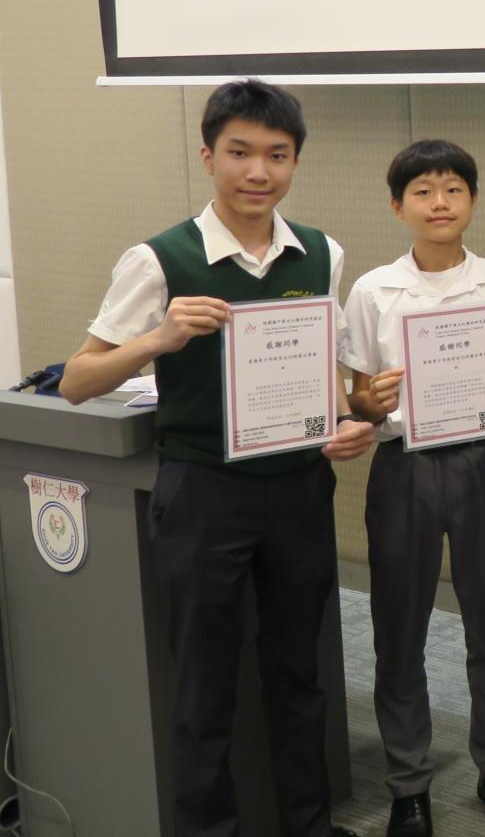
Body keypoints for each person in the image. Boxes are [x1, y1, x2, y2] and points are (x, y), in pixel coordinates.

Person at [60, 79, 373, 837]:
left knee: (299, 671)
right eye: (240, 152)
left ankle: (308, 823)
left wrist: (344, 421)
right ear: (208, 157)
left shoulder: (321, 251)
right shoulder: (160, 259)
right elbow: (76, 381)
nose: (258, 172)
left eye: (277, 154)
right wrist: (157, 339)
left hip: (298, 486)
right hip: (203, 493)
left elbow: (320, 368)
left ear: (294, 162)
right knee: (204, 681)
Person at [338, 140, 485, 837]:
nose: (439, 203)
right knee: (399, 629)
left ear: (473, 200)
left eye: (453, 189)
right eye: (422, 191)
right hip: (404, 466)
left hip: (483, 461)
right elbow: (358, 397)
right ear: (398, 206)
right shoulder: (372, 290)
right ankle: (409, 783)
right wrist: (369, 401)